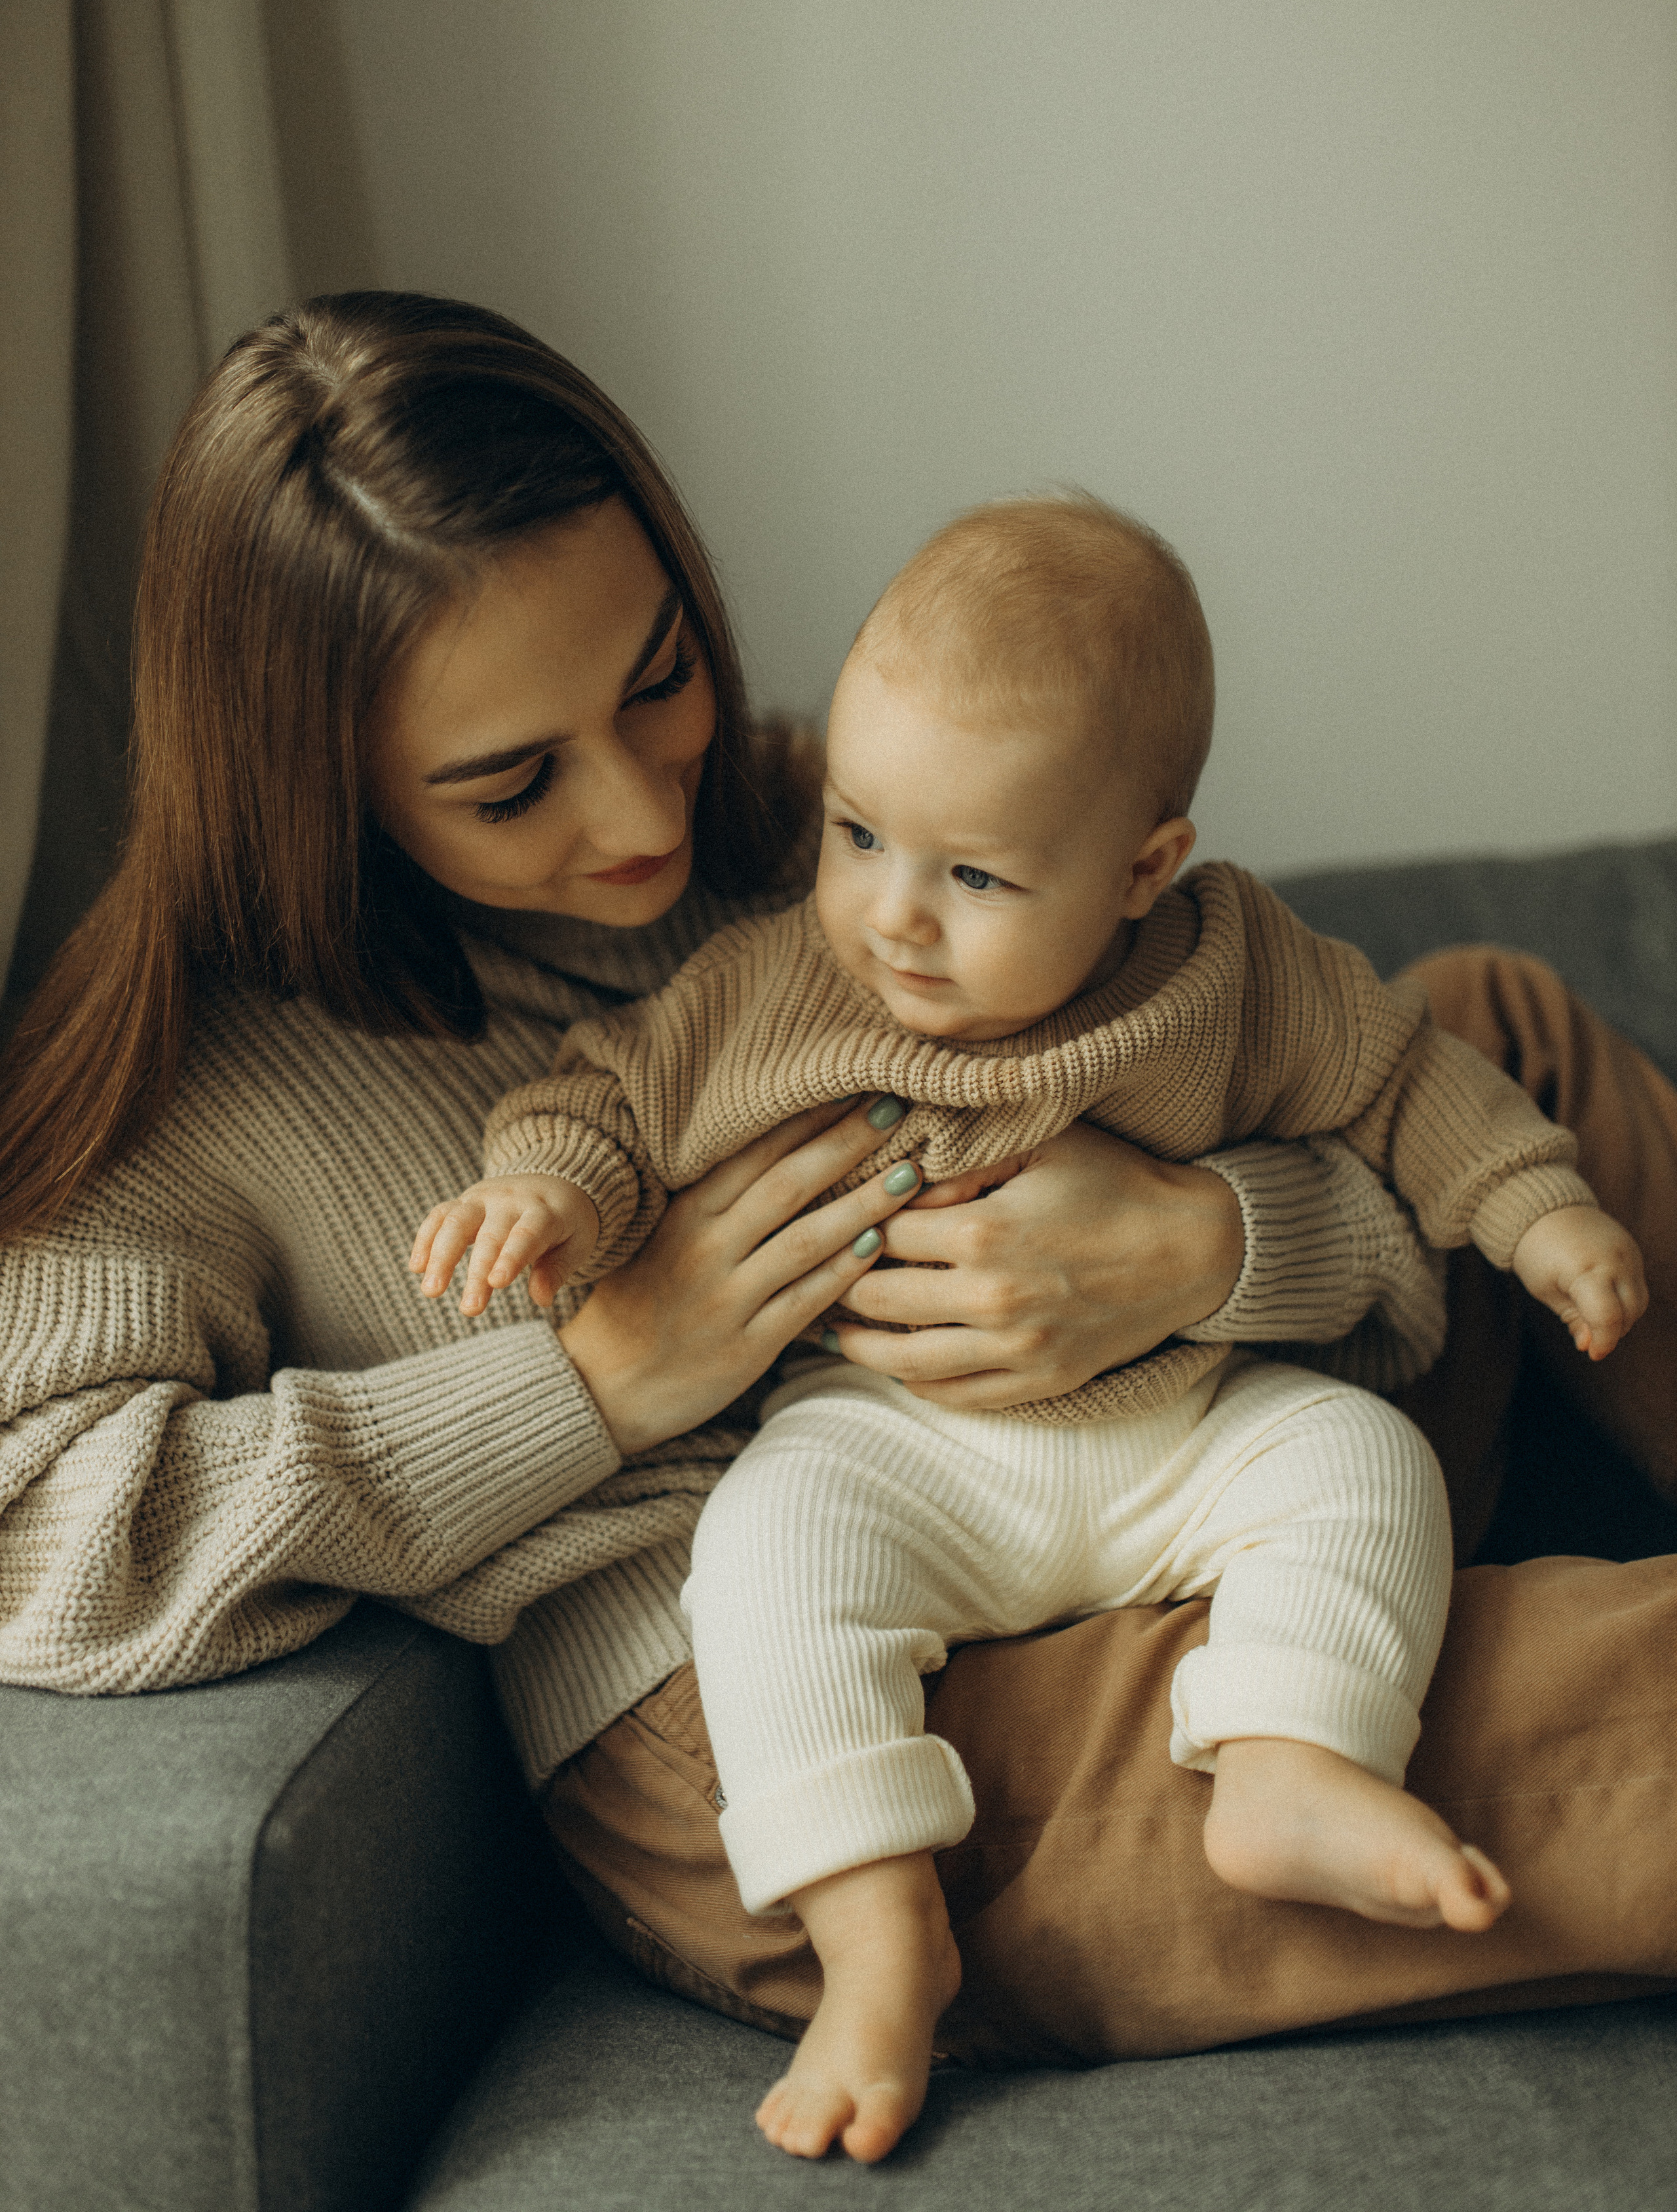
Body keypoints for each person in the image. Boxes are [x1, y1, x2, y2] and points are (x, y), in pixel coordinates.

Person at [0, 294, 1673, 2124]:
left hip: (1157, 1467)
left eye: (659, 678)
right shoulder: (183, 1079)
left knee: (1487, 1025)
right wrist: (596, 1385)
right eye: (511, 785)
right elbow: (37, 1536)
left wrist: (1214, 1246)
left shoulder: (827, 825)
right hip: (800, 1699)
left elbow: (1275, 1054)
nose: (642, 814)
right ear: (314, 780)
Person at [414, 495, 1645, 2160]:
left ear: (1143, 868)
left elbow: (1407, 1080)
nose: (892, 915)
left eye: (973, 874)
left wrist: (1535, 1213)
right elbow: (610, 1099)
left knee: (1353, 1459)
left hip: (1180, 1427)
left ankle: (1291, 1753)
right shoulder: (777, 985)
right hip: (897, 1452)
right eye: (857, 838)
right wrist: (546, 1193)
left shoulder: (1232, 969)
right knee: (768, 1553)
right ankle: (876, 1933)